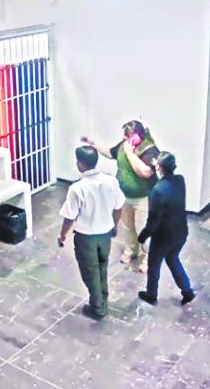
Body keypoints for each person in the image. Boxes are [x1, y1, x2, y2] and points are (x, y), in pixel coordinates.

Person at [82, 120, 159, 273]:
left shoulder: (150, 150)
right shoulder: (125, 144)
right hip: (125, 195)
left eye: (128, 136)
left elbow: (144, 172)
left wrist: (130, 153)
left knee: (143, 229)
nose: (124, 139)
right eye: (124, 136)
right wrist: (93, 143)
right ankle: (131, 250)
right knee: (128, 226)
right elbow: (111, 152)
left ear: (137, 136)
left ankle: (148, 258)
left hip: (143, 197)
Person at [59, 146, 125, 320]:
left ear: (81, 164)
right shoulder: (111, 181)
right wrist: (114, 225)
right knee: (102, 266)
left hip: (86, 237)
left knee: (90, 271)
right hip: (105, 234)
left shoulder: (77, 188)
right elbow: (118, 208)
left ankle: (98, 307)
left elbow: (69, 217)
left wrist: (63, 235)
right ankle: (103, 296)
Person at [136, 152, 195, 306]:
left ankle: (151, 294)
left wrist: (142, 236)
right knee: (173, 258)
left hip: (164, 236)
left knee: (154, 264)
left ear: (159, 167)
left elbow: (154, 220)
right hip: (181, 231)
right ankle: (187, 290)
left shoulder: (158, 191)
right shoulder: (180, 180)